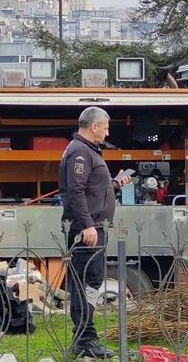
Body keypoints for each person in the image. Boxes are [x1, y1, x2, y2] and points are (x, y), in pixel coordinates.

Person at [58, 106, 132, 359]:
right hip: (87, 231)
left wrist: (114, 183)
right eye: (106, 126)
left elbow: (90, 188)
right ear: (94, 127)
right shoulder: (80, 152)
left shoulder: (88, 151)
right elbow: (76, 192)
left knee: (92, 282)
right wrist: (88, 225)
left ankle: (86, 336)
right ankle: (84, 340)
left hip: (96, 228)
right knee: (84, 284)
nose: (108, 131)